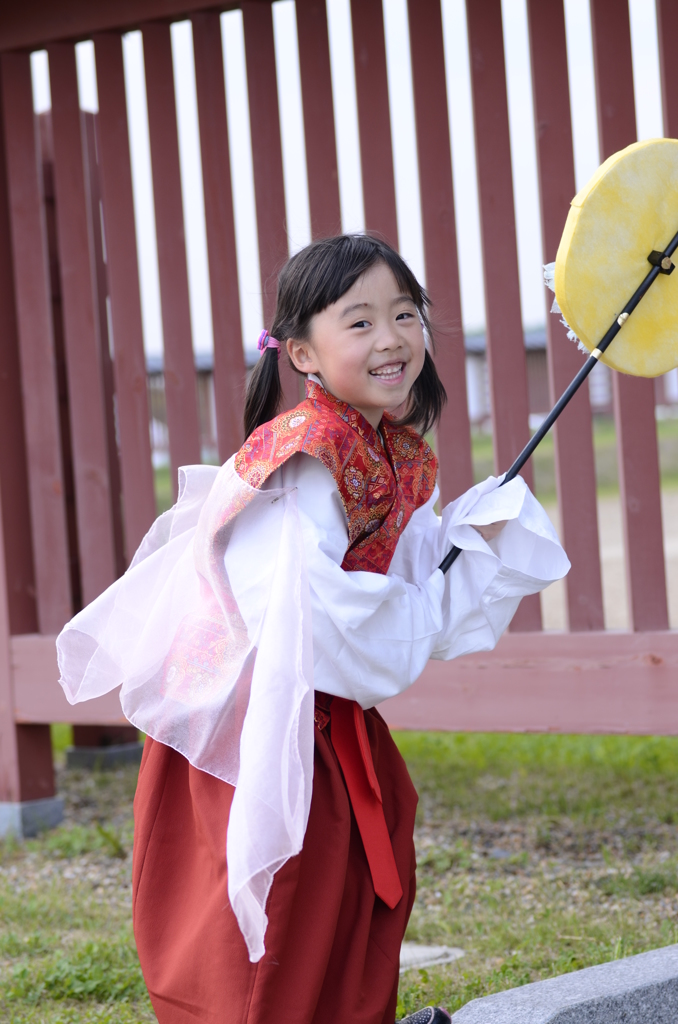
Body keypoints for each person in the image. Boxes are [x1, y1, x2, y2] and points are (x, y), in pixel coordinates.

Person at [57, 235, 569, 1024]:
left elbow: (395, 571)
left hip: (320, 719)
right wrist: (433, 595)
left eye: (405, 314)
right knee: (273, 943)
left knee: (347, 910)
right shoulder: (307, 457)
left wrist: (468, 536)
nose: (392, 338)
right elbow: (322, 618)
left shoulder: (384, 446)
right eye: (358, 322)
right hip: (258, 734)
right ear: (302, 350)